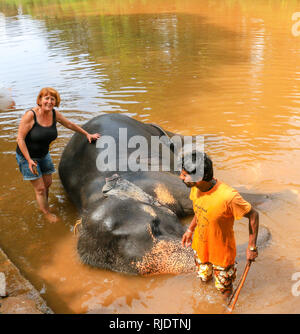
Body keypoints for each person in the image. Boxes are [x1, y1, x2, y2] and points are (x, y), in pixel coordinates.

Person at [180, 151, 259, 301]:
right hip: (201, 247)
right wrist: (190, 230)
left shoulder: (228, 197)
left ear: (199, 178)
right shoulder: (195, 188)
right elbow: (199, 208)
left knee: (224, 288)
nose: (181, 177)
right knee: (203, 278)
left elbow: (254, 215)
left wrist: (252, 247)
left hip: (222, 254)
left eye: (184, 175)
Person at [16, 87, 100, 223]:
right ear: (40, 100)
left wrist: (87, 134)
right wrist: (29, 160)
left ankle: (44, 205)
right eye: (46, 98)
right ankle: (46, 213)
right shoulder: (30, 115)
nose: (49, 101)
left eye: (52, 99)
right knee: (41, 188)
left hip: (43, 154)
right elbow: (20, 139)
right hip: (27, 157)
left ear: (55, 102)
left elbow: (69, 124)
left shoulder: (54, 114)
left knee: (48, 183)